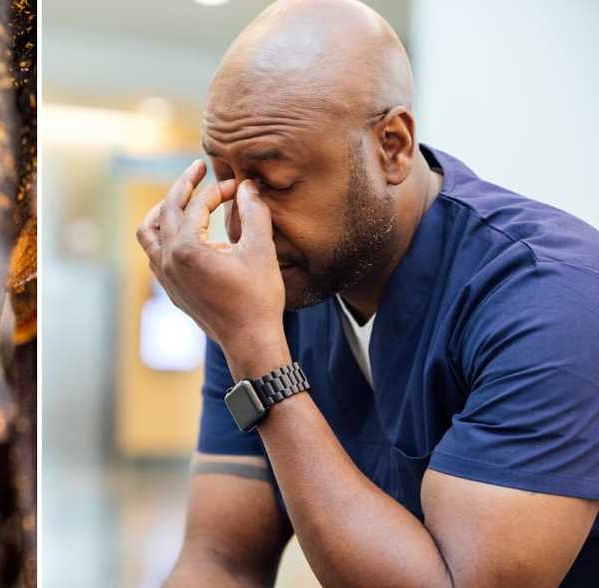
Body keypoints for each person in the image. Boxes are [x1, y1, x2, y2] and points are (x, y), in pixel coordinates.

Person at [135, 0, 599, 585]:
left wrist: (258, 353)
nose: (241, 223)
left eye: (275, 182)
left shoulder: (552, 300)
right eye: (226, 180)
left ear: (393, 147)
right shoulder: (268, 290)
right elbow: (221, 559)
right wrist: (248, 336)